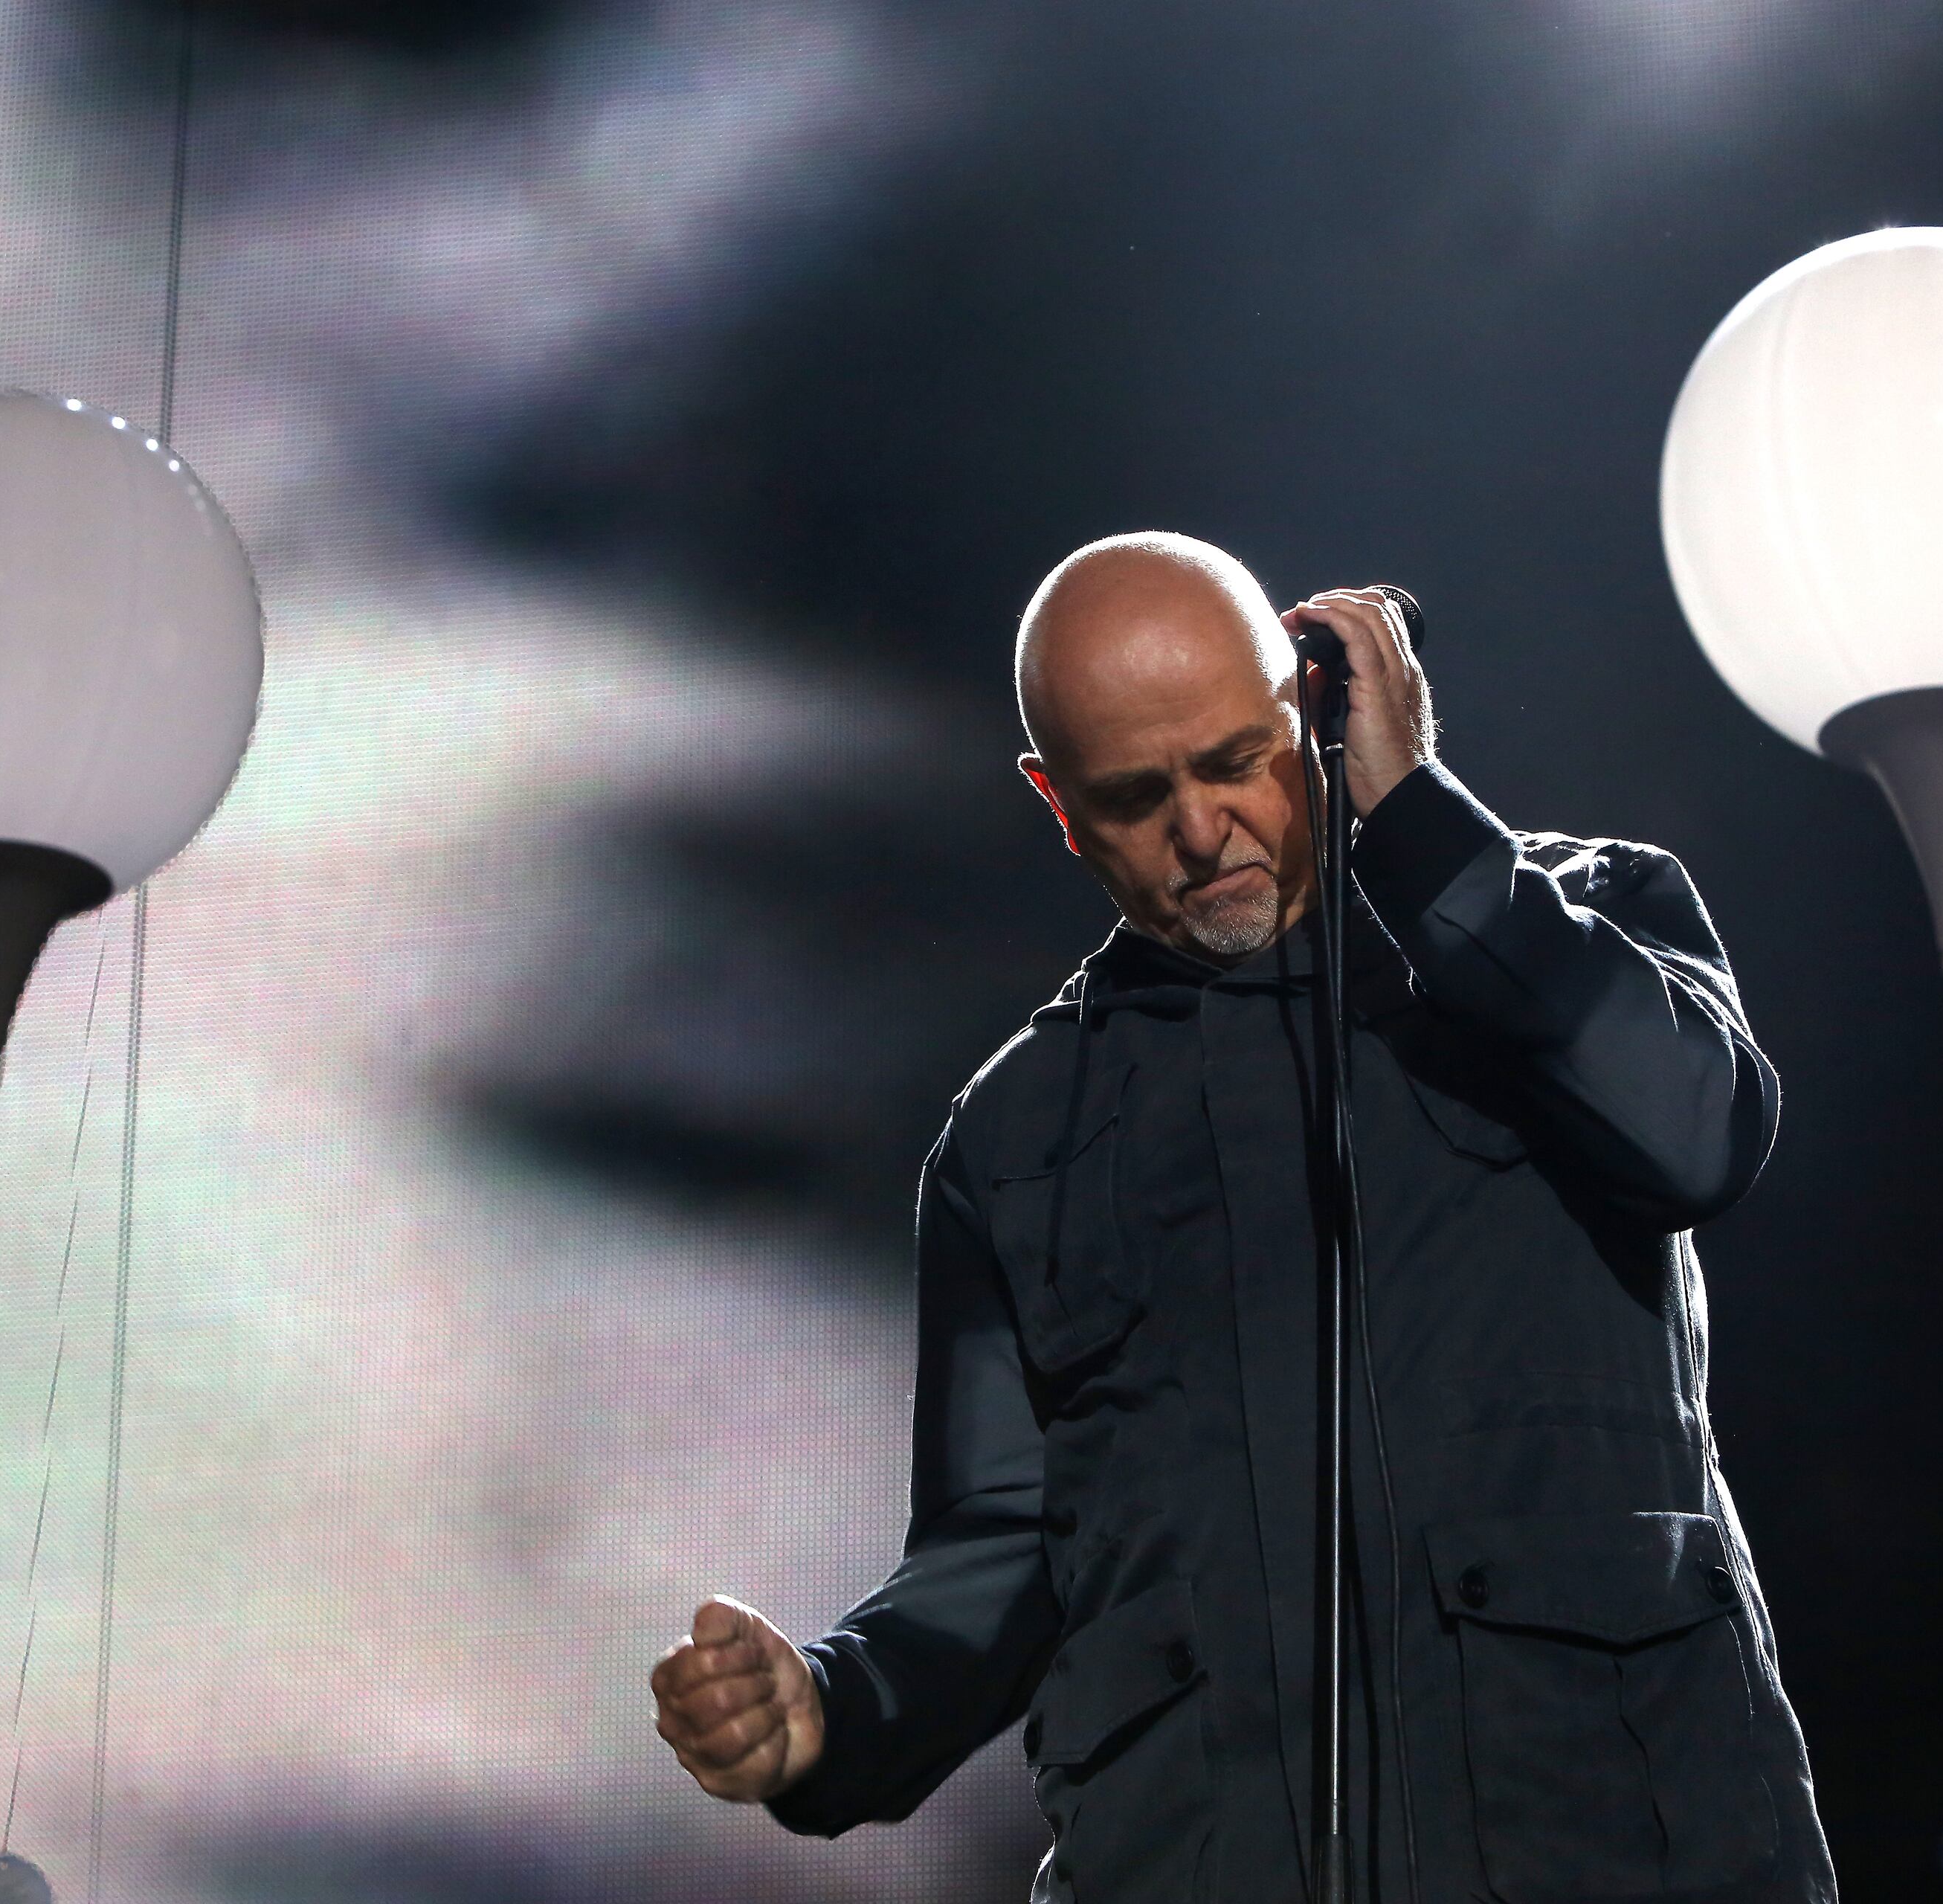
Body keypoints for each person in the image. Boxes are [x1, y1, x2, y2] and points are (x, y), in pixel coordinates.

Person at [651, 532, 1835, 1902]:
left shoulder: (1569, 921)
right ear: (1059, 805)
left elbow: (1699, 1134)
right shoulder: (1014, 1143)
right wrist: (830, 1713)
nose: (1202, 830)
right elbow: (998, 1556)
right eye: (1138, 795)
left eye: (1233, 761)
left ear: (1317, 709)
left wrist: (1425, 828)